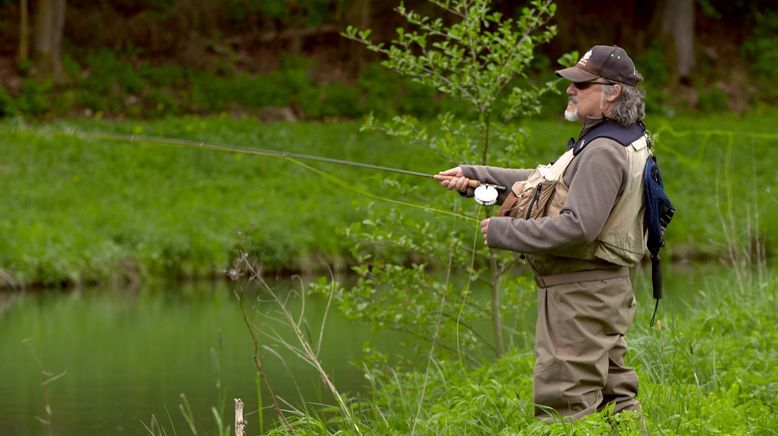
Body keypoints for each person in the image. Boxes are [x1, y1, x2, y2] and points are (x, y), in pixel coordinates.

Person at [435, 45, 649, 421]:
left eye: (581, 84)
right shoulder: (618, 137)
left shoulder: (602, 151)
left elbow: (579, 228)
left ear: (612, 91)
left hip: (579, 296)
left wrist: (505, 231)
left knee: (565, 405)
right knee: (617, 399)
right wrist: (476, 176)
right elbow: (548, 180)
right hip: (601, 290)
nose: (570, 89)